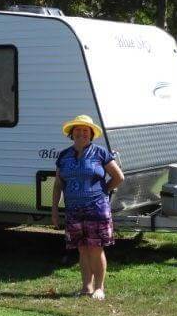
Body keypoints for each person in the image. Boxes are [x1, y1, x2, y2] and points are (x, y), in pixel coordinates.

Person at [51, 114, 125, 300]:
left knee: (95, 247)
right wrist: (54, 210)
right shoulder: (64, 156)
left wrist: (103, 191)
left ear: (91, 134)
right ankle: (86, 287)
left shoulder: (100, 153)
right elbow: (58, 184)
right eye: (78, 130)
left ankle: (99, 288)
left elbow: (119, 177)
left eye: (86, 131)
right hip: (73, 209)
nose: (82, 134)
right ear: (72, 134)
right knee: (82, 248)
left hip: (96, 208)